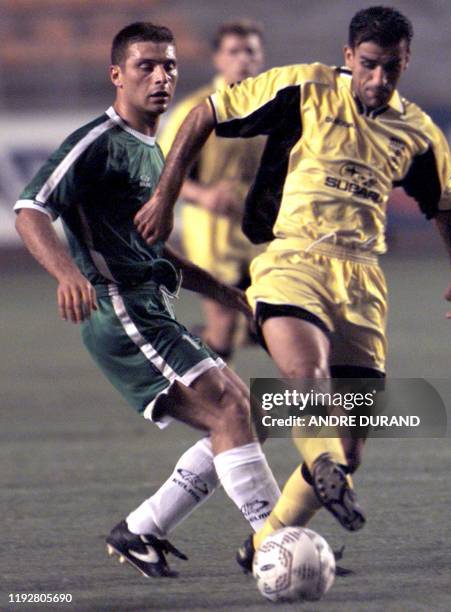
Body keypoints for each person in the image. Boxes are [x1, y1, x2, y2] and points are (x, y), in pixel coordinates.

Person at [132, 6, 451, 571]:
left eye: (391, 69)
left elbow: (445, 205)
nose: (378, 79)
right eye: (368, 65)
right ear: (349, 57)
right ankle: (316, 465)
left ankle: (263, 544)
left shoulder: (418, 132)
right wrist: (165, 197)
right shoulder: (305, 87)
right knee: (304, 375)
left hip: (364, 282)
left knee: (346, 445)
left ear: (405, 63)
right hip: (293, 259)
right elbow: (205, 112)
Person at [14, 22, 280, 579]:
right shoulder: (97, 142)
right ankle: (276, 540)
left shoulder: (153, 151)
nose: (161, 77)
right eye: (146, 66)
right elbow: (30, 208)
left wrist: (232, 297)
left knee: (237, 413)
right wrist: (67, 274)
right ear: (117, 75)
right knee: (229, 411)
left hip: (150, 305)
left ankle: (142, 530)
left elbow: (159, 250)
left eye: (169, 66)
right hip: (119, 310)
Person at [158, 20, 266, 360]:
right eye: (234, 51)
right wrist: (204, 195)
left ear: (261, 57)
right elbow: (162, 173)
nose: (243, 59)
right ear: (218, 59)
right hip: (213, 232)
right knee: (223, 325)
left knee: (273, 316)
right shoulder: (199, 109)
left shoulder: (276, 107)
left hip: (263, 232)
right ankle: (216, 400)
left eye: (250, 51)